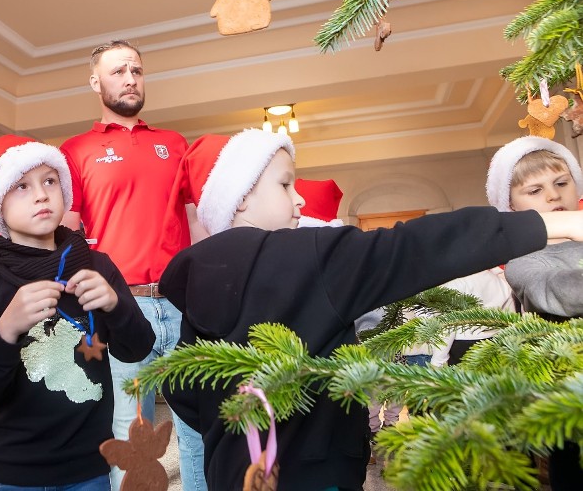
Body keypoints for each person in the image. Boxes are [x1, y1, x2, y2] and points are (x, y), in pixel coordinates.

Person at [156, 129, 583, 490]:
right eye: (286, 185)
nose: (300, 200)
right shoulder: (310, 253)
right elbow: (413, 247)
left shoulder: (198, 278)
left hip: (235, 473)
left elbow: (181, 388)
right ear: (242, 197)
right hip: (318, 471)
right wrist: (553, 224)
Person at [0, 136, 154, 490]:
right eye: (21, 186)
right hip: (15, 472)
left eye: (50, 180)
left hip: (89, 468)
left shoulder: (98, 267)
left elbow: (138, 347)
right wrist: (6, 331)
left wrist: (114, 305)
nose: (41, 194)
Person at [60, 40, 206, 490]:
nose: (129, 78)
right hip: (124, 309)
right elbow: (68, 234)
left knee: (197, 424)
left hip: (182, 304)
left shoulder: (173, 143)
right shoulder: (76, 150)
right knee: (130, 428)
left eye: (136, 70)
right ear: (95, 81)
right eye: (118, 70)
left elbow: (195, 220)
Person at [485, 135, 583, 489]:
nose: (554, 195)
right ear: (511, 205)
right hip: (565, 390)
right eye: (535, 190)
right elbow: (558, 295)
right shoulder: (525, 261)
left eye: (561, 183)